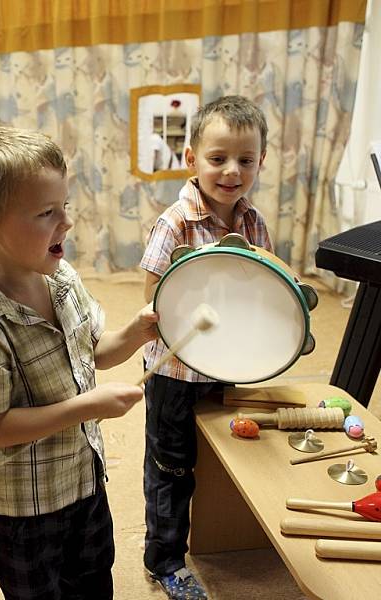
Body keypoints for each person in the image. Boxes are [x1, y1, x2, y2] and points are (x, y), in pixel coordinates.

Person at [0, 126, 159, 599]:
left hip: (83, 480)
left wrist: (136, 333)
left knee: (94, 579)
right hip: (25, 506)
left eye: (65, 206)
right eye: (46, 213)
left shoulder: (62, 279)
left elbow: (94, 351)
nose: (66, 221)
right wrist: (88, 407)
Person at [140, 95, 273, 600]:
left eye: (245, 159)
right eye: (218, 158)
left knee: (219, 460)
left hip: (229, 365)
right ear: (192, 158)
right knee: (172, 468)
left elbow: (263, 290)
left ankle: (214, 539)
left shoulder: (254, 222)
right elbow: (151, 297)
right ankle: (165, 559)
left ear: (261, 161)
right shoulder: (174, 222)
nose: (231, 170)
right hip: (177, 374)